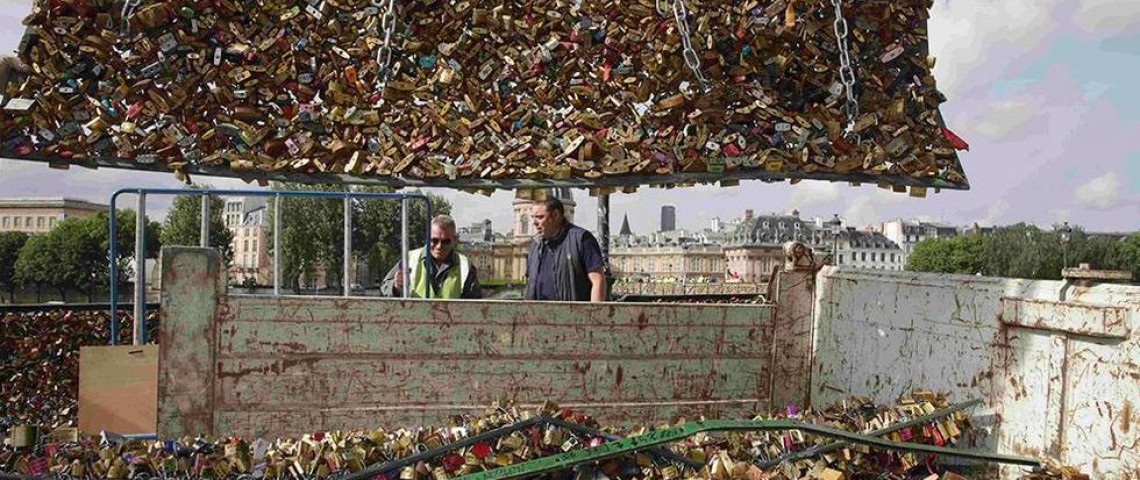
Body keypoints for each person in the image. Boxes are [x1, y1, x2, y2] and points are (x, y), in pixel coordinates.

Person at [524, 197, 607, 302]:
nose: (534, 223)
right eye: (533, 217)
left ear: (556, 215)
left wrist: (595, 314)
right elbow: (530, 281)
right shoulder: (535, 243)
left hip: (572, 315)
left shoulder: (582, 239)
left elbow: (598, 281)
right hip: (538, 315)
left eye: (540, 217)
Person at [380, 215, 482, 299]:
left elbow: (475, 305)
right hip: (415, 322)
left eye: (445, 241)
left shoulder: (465, 266)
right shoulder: (410, 259)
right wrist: (396, 286)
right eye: (435, 240)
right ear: (427, 238)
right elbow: (385, 289)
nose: (439, 246)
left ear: (454, 240)